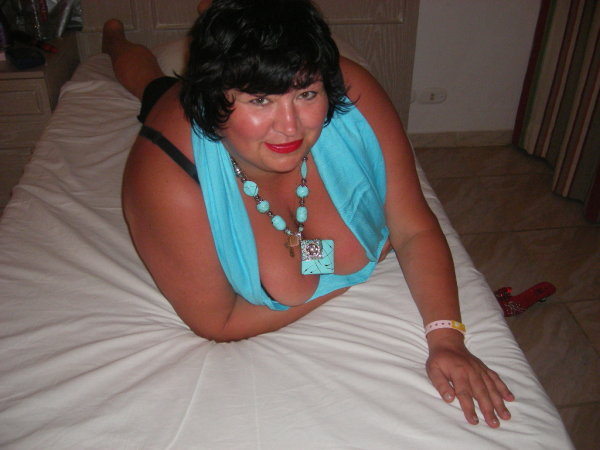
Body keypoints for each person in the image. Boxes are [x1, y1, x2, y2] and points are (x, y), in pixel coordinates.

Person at [103, 0, 514, 428]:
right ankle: (114, 41)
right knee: (154, 87)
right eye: (260, 99)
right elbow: (218, 322)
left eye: (306, 94)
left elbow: (412, 229)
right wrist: (354, 275)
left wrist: (447, 339)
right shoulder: (167, 178)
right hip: (183, 123)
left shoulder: (353, 91)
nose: (290, 126)